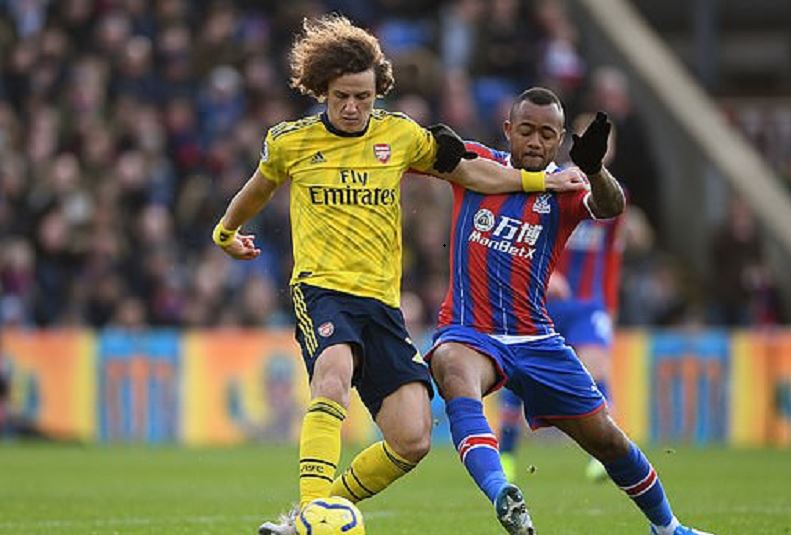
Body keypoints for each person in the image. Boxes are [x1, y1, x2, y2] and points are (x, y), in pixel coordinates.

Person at [208, 16, 586, 535]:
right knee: (332, 375)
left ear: (377, 92)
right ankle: (314, 511)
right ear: (322, 91)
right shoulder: (291, 141)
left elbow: (470, 171)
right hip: (322, 291)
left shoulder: (401, 135)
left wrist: (540, 181)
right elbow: (258, 187)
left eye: (363, 97)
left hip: (382, 304)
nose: (352, 107)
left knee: (413, 437)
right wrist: (226, 231)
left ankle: (305, 521)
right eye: (341, 97)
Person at [427, 87, 712, 535]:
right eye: (526, 131)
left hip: (536, 337)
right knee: (451, 367)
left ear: (560, 140)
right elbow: (424, 156)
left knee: (606, 438)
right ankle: (503, 491)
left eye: (547, 134)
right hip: (471, 329)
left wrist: (595, 169)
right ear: (508, 130)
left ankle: (668, 527)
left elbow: (610, 206)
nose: (535, 142)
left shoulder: (567, 185)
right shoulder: (477, 163)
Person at [498, 209, 624, 483]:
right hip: (539, 300)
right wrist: (546, 275)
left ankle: (605, 454)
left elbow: (611, 252)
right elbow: (516, 241)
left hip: (587, 304)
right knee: (518, 374)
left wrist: (610, 304)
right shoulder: (549, 191)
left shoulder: (615, 198)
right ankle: (505, 455)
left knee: (596, 368)